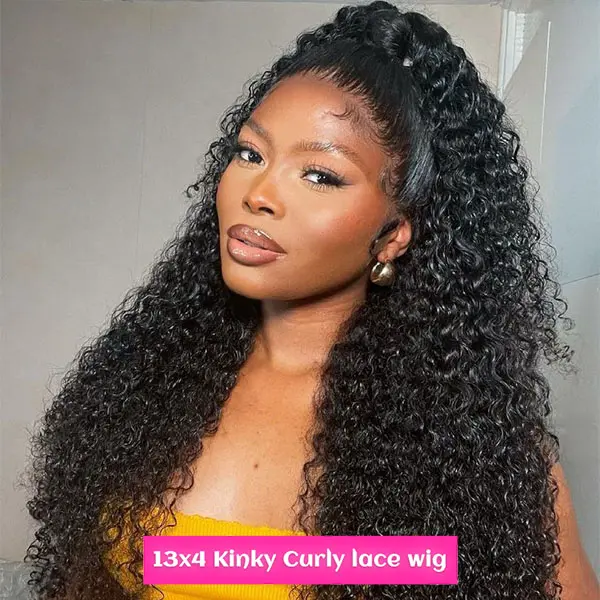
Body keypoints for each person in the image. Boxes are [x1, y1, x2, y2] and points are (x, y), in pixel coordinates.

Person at [23, 2, 599, 599]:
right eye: (251, 154)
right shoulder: (144, 381)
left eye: (320, 175)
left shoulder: (472, 448)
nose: (259, 193)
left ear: (394, 234)